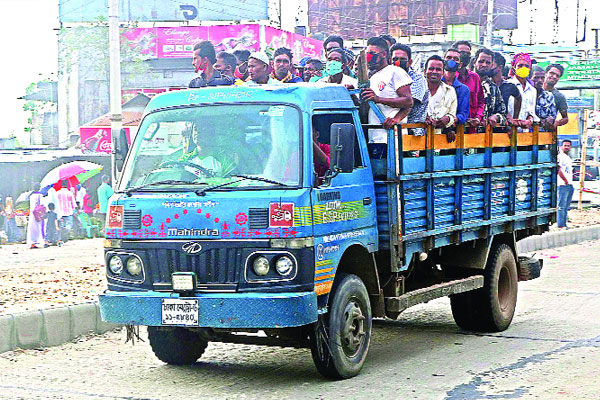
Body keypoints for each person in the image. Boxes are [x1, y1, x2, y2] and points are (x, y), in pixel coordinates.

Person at [361, 36, 413, 143]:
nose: (369, 57)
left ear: (384, 54)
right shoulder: (373, 77)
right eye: (367, 54)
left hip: (392, 138)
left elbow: (408, 102)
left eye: (372, 53)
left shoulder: (395, 72)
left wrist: (379, 99)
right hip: (375, 137)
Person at [390, 43, 428, 136]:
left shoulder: (417, 79)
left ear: (410, 62)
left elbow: (409, 102)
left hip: (412, 130)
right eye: (395, 59)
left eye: (402, 59)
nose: (398, 62)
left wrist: (381, 99)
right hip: (393, 127)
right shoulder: (388, 77)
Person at [425, 55, 457, 142]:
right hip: (416, 137)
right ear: (425, 71)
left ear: (443, 72)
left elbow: (452, 115)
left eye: (438, 69)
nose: (434, 72)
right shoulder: (416, 89)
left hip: (439, 138)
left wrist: (447, 119)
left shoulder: (450, 91)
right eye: (431, 68)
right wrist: (423, 117)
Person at [473, 48, 507, 128]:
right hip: (463, 133)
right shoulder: (464, 83)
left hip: (486, 135)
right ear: (474, 62)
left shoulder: (493, 88)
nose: (484, 65)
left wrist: (496, 117)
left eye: (488, 63)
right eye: (481, 61)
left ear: (491, 65)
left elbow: (503, 113)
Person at [455, 46, 484, 129]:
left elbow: (481, 101)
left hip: (471, 128)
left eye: (468, 53)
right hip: (453, 128)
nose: (465, 56)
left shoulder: (475, 77)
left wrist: (478, 117)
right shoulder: (448, 79)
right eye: (462, 53)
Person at [506, 53, 538, 130]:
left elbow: (531, 113)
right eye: (520, 66)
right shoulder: (507, 85)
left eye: (527, 66)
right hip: (506, 131)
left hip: (524, 133)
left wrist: (530, 120)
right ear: (514, 68)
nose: (523, 68)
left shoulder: (532, 90)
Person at [492, 52, 522, 126]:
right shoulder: (485, 84)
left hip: (503, 127)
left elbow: (518, 98)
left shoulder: (509, 86)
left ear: (500, 67)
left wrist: (515, 118)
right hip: (486, 126)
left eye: (491, 64)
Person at [443, 49, 470, 127]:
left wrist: (450, 119)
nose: (452, 61)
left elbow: (463, 114)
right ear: (444, 61)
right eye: (448, 58)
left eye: (455, 59)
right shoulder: (434, 84)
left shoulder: (463, 90)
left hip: (455, 131)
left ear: (460, 65)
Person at [544, 63, 569, 129]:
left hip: (548, 134)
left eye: (557, 75)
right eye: (552, 73)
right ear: (545, 74)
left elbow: (565, 118)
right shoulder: (533, 90)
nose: (554, 76)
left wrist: (556, 123)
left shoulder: (559, 97)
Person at [532, 65, 557, 131]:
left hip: (544, 136)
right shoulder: (523, 95)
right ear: (529, 78)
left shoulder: (549, 96)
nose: (540, 80)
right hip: (524, 135)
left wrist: (551, 119)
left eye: (542, 78)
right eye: (536, 78)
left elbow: (553, 115)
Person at [557, 139, 574, 230]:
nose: (566, 147)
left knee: (566, 206)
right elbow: (558, 169)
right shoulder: (560, 156)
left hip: (569, 184)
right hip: (562, 184)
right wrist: (565, 181)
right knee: (561, 206)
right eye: (565, 145)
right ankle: (561, 225)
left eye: (568, 145)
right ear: (561, 146)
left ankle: (564, 223)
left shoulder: (568, 157)